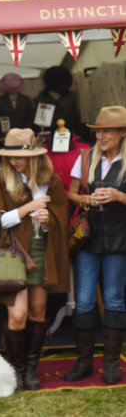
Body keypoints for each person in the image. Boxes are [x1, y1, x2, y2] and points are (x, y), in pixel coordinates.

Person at [0, 128, 69, 391]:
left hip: (41, 251)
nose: (14, 161)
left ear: (34, 156)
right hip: (13, 253)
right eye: (9, 156)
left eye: (18, 157)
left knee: (37, 312)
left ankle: (30, 370)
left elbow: (61, 218)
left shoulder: (50, 180)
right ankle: (16, 370)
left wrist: (47, 222)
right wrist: (27, 209)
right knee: (18, 315)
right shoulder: (1, 179)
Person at [64, 105, 126, 385]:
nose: (101, 136)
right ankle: (84, 363)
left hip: (119, 236)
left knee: (114, 299)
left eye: (107, 131)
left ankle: (111, 364)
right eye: (99, 131)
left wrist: (118, 196)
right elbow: (72, 193)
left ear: (122, 133)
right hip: (89, 237)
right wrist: (86, 200)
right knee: (85, 300)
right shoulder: (86, 157)